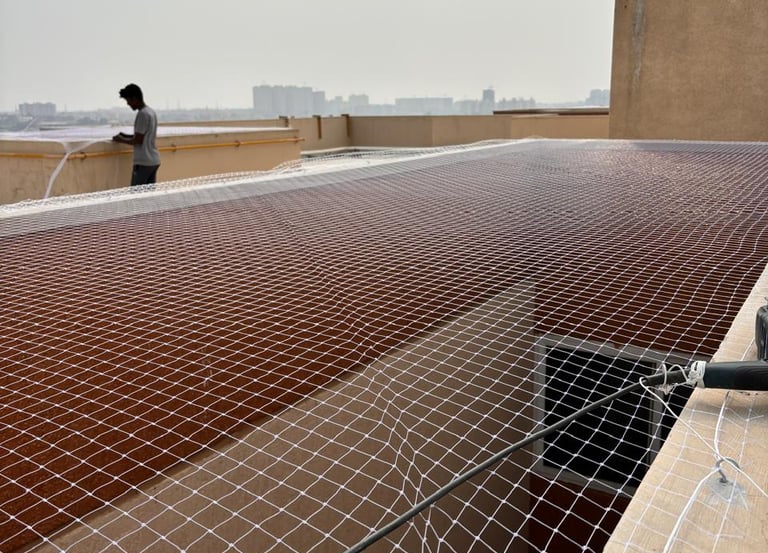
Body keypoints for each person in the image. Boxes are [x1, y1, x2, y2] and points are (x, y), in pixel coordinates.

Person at [112, 83, 161, 186]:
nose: (128, 104)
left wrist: (120, 140)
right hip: (153, 160)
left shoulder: (142, 114)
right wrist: (125, 136)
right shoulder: (151, 112)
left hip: (144, 162)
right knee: (148, 195)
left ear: (134, 98)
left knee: (136, 195)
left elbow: (138, 140)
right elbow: (143, 136)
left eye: (128, 100)